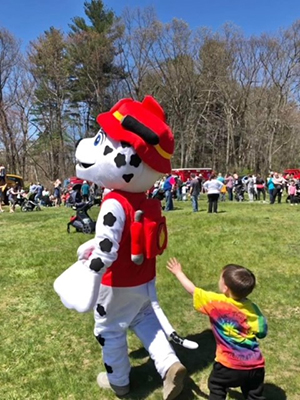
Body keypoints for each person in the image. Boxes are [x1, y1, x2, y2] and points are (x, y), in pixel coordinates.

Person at [167, 258, 268, 400]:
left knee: (217, 385)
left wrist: (178, 273)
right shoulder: (254, 309)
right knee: (253, 394)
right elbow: (262, 332)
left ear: (225, 288)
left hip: (228, 365)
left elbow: (193, 290)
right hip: (255, 365)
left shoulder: (216, 303)